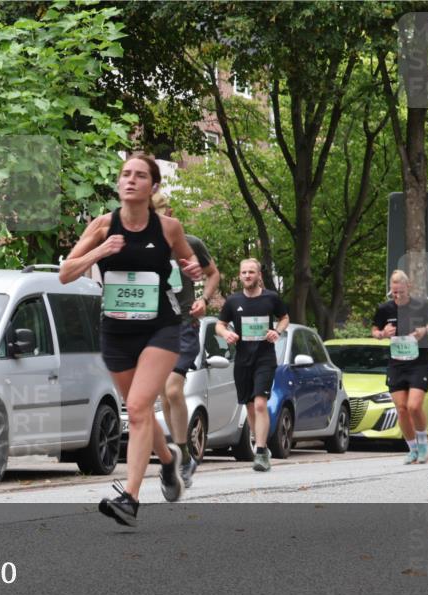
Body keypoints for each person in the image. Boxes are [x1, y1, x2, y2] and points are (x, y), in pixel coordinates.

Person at [60, 153, 203, 526]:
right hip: (116, 331)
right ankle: (169, 462)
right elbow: (65, 273)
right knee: (138, 410)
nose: (131, 180)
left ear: (152, 186)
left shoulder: (169, 227)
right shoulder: (102, 226)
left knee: (139, 408)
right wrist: (100, 251)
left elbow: (193, 266)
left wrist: (195, 268)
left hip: (161, 327)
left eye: (140, 175)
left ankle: (131, 499)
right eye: (126, 174)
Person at [152, 192, 221, 488]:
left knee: (173, 390)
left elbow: (213, 273)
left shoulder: (189, 243)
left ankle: (181, 454)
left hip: (183, 325)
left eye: (160, 212)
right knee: (165, 396)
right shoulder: (142, 246)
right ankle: (183, 456)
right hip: (153, 328)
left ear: (170, 210)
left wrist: (204, 299)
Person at [215, 259, 289, 472]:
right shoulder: (233, 300)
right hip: (243, 360)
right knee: (249, 406)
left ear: (258, 275)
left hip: (265, 358)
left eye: (251, 272)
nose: (247, 275)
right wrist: (226, 333)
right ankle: (261, 444)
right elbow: (219, 325)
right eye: (244, 272)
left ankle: (260, 451)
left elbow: (284, 318)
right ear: (240, 276)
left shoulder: (271, 298)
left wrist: (278, 331)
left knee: (259, 404)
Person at [371, 270, 428, 464]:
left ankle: (424, 443)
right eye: (394, 292)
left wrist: (424, 330)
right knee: (401, 408)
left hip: (419, 362)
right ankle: (412, 449)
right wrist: (382, 333)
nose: (398, 296)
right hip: (396, 364)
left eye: (400, 291)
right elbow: (374, 330)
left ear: (408, 287)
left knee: (414, 406)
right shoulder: (385, 309)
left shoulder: (421, 305)